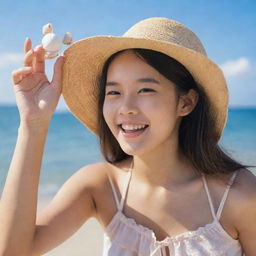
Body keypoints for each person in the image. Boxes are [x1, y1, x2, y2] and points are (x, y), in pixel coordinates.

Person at [0, 17, 256, 256]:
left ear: (186, 103)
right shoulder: (99, 186)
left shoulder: (239, 196)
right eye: (114, 93)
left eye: (145, 89)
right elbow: (13, 251)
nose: (126, 107)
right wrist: (33, 123)